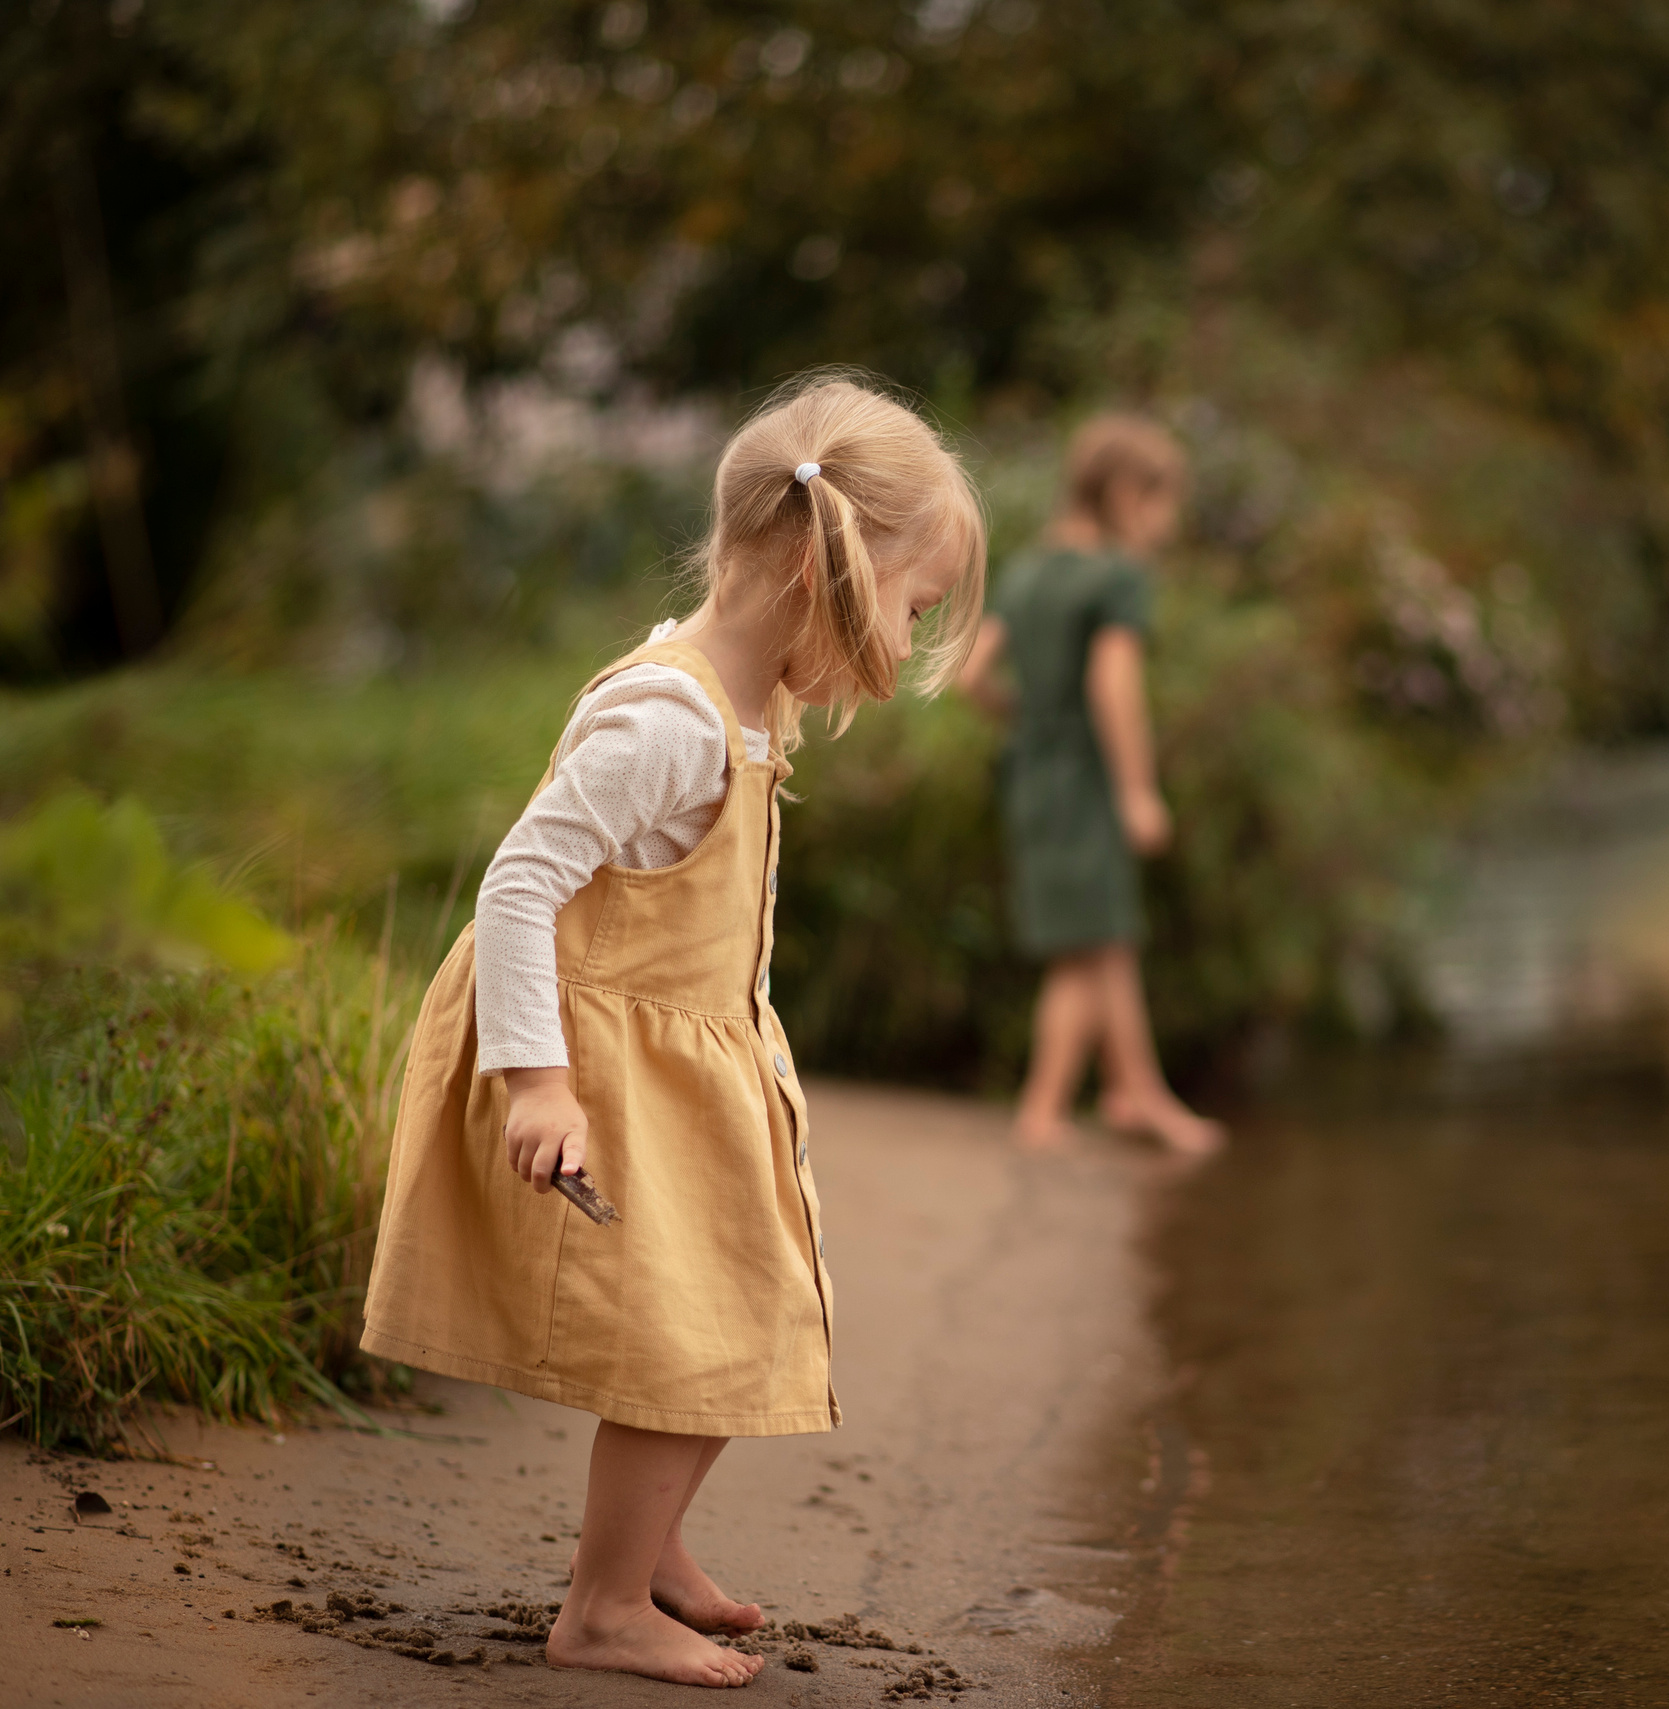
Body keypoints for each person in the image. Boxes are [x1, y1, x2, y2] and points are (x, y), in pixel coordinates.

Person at [361, 374, 984, 1689]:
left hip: (691, 1065)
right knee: (681, 1340)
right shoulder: (667, 718)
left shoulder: (757, 698)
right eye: (914, 606)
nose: (910, 639)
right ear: (827, 575)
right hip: (597, 1073)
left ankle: (648, 1553)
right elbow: (520, 882)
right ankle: (599, 1606)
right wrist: (536, 1082)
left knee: (741, 1310)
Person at [959, 414, 1223, 1156]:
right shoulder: (1116, 578)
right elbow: (1114, 687)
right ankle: (1045, 1110)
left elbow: (972, 674)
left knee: (1103, 941)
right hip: (1086, 779)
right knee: (1093, 942)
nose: (1167, 523)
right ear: (1123, 491)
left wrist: (1025, 718)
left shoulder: (1029, 570)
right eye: (1161, 501)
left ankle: (1132, 1093)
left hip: (1031, 773)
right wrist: (1138, 789)